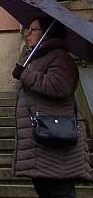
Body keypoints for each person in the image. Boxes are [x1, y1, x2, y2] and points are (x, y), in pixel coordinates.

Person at [12, 18, 92, 196]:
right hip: (41, 145)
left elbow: (59, 86)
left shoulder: (59, 56)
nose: (27, 34)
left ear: (47, 33)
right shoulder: (35, 58)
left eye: (33, 30)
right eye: (27, 29)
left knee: (60, 192)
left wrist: (25, 74)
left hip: (56, 144)